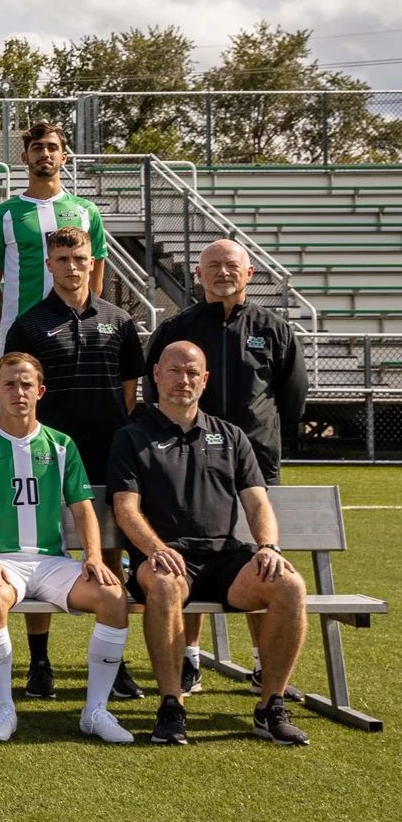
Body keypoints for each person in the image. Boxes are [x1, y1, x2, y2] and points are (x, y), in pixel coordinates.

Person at [109, 341, 311, 746]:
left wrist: (268, 547)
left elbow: (257, 502)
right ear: (156, 376)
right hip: (166, 560)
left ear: (205, 380)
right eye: (174, 370)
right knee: (164, 584)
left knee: (290, 585)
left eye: (191, 372)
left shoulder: (231, 436)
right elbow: (126, 509)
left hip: (225, 561)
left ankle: (269, 706)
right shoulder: (132, 437)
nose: (183, 380)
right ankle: (171, 704)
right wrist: (154, 549)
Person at [144, 237, 309, 697]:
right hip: (188, 462)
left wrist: (269, 442)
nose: (222, 273)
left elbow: (292, 397)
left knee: (260, 559)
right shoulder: (179, 327)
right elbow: (152, 391)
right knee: (193, 548)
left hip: (254, 462)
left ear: (249, 273)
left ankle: (262, 662)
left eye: (231, 265)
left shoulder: (273, 329)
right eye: (212, 266)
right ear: (198, 275)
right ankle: (190, 657)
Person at [0, 352, 135, 744]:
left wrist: (94, 558)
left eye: (27, 384)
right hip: (2, 560)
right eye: (11, 385)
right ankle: (4, 708)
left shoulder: (61, 444)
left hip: (53, 562)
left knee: (113, 598)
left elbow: (83, 508)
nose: (19, 392)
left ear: (41, 391)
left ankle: (95, 710)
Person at [3, 226, 146, 700]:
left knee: (107, 555)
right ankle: (39, 662)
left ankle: (114, 661)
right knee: (41, 552)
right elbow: (19, 392)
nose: (72, 265)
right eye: (62, 258)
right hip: (48, 457)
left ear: (92, 260)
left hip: (107, 454)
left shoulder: (119, 320)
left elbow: (129, 389)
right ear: (49, 264)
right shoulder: (29, 324)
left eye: (79, 257)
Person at [0, 121, 109, 339]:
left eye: (52, 147)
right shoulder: (3, 214)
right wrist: (11, 326)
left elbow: (95, 279)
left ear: (64, 157)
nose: (45, 153)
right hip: (23, 335)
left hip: (72, 332)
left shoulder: (87, 211)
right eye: (37, 148)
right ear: (24, 157)